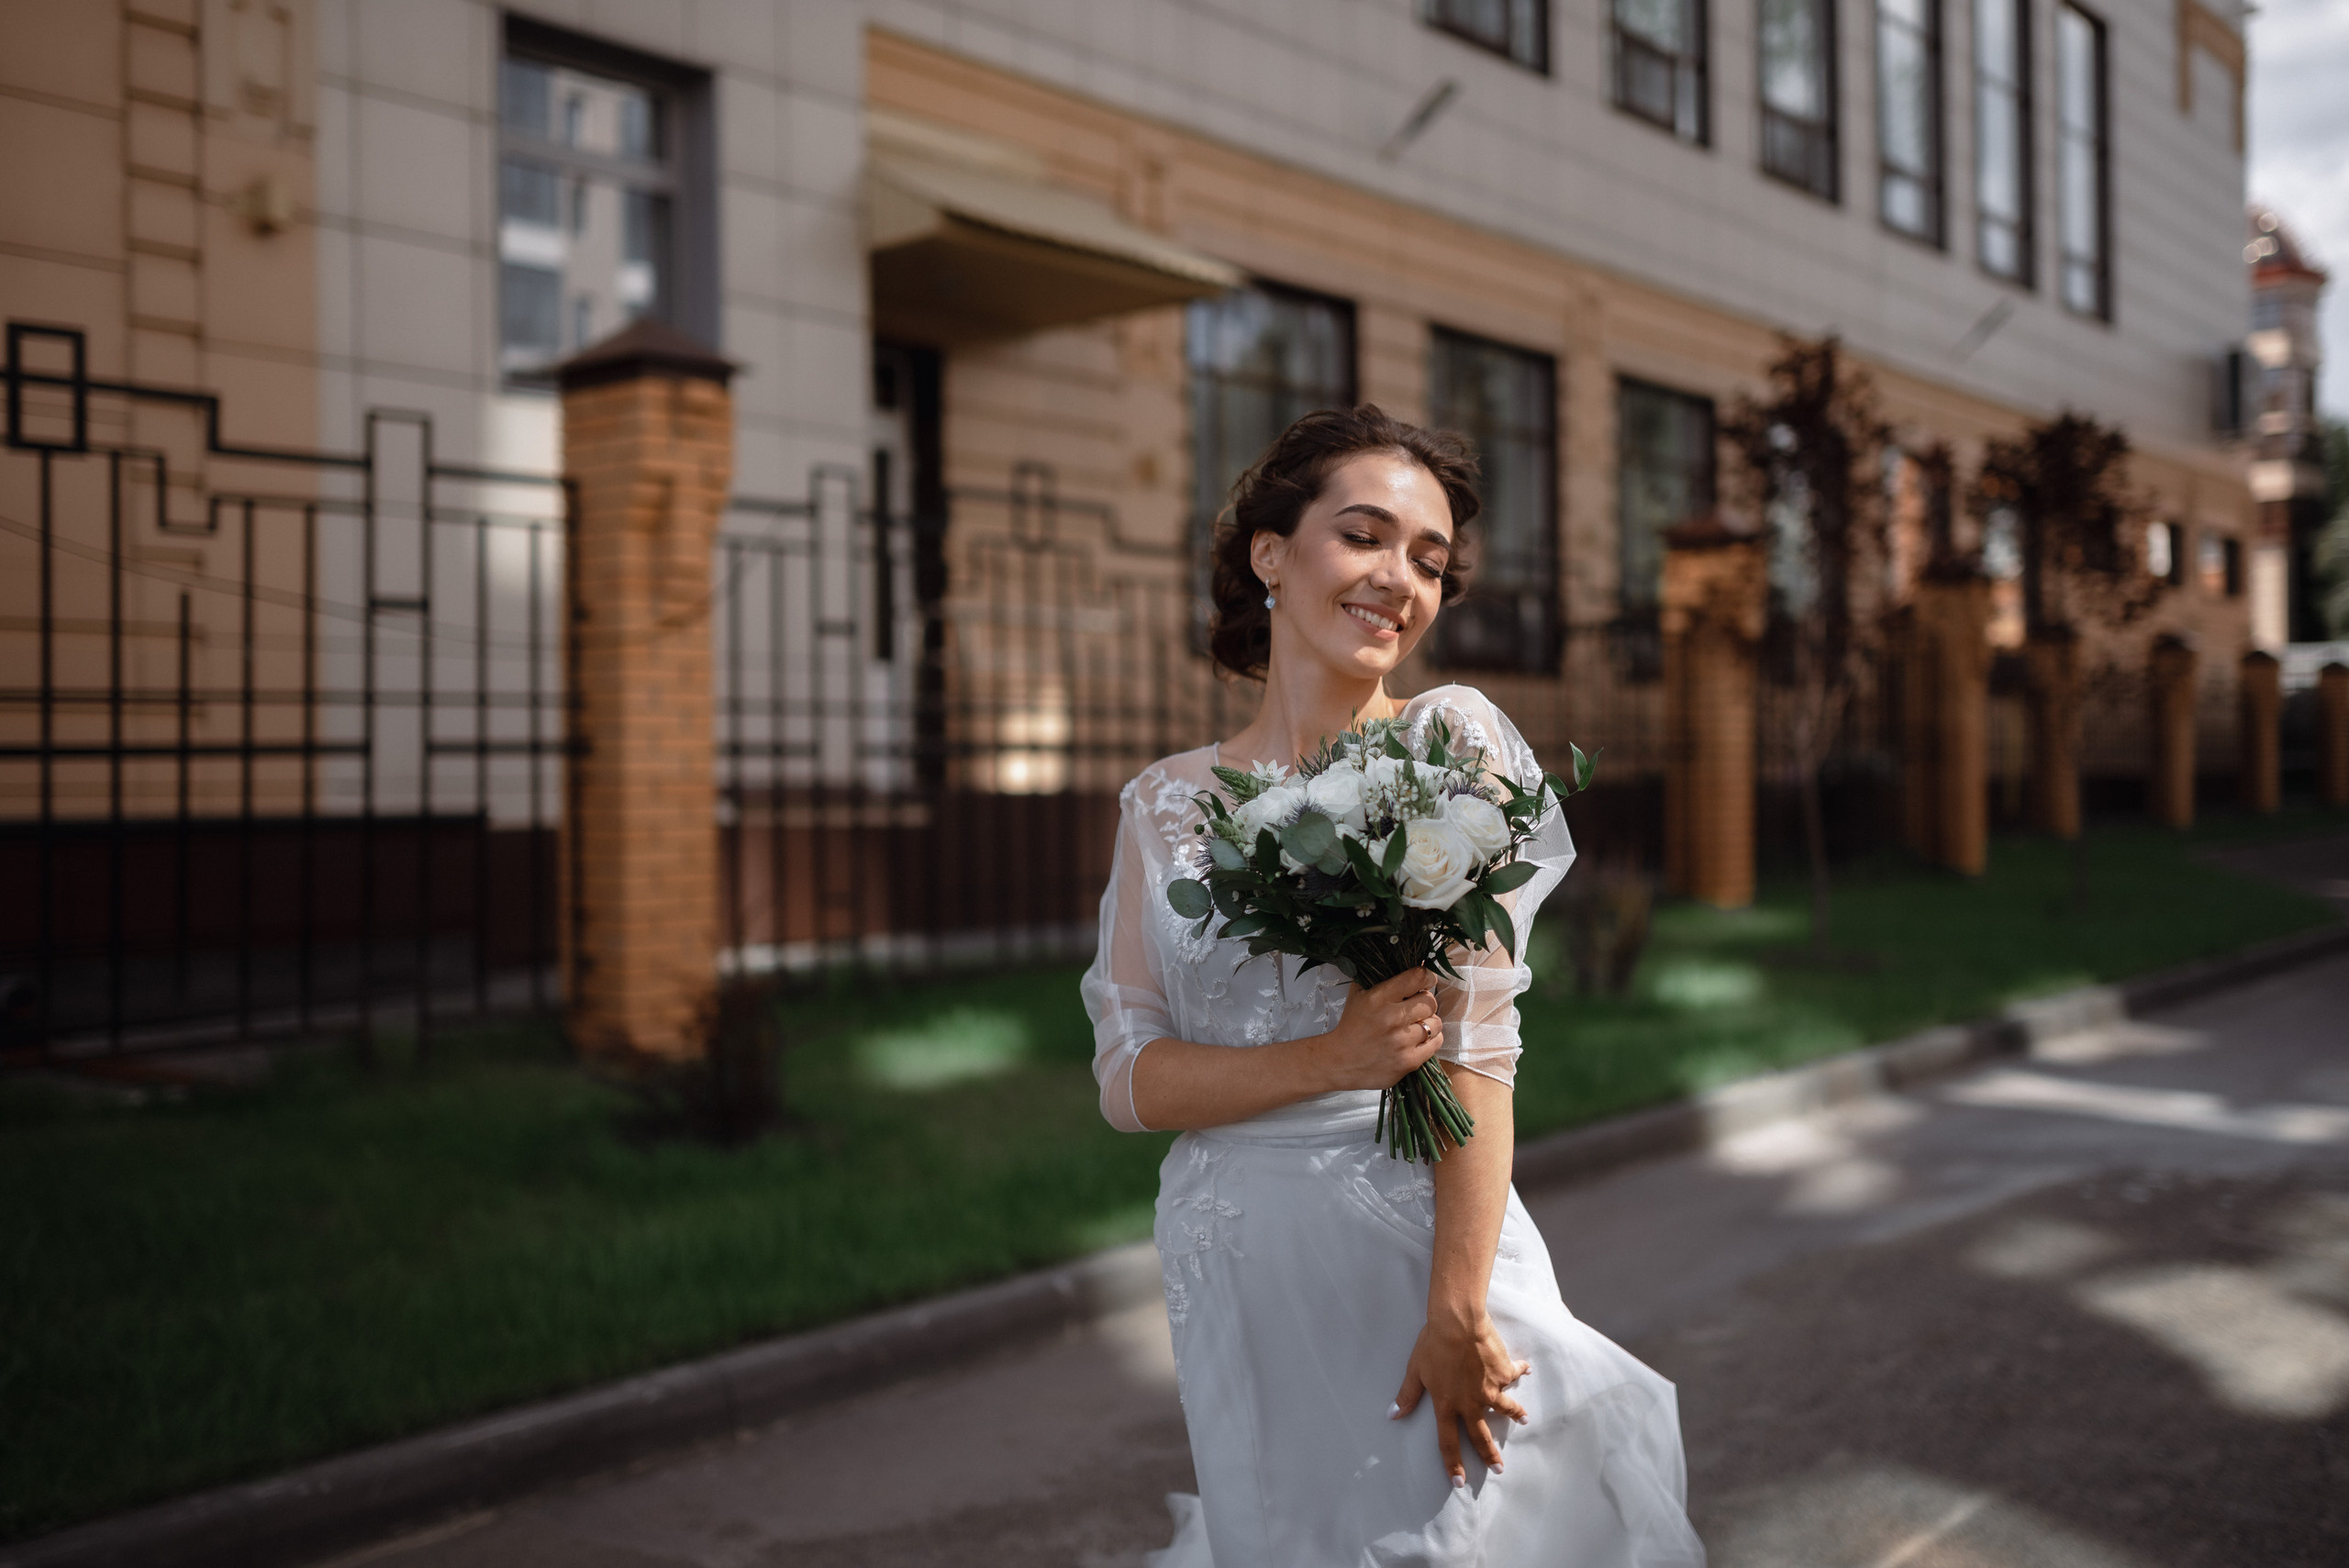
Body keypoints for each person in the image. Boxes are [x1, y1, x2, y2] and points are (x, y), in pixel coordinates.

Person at [1079, 406, 1705, 1567]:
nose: (1400, 580)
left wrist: (1459, 1310)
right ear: (1270, 552)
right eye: (1364, 536)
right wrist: (1326, 1058)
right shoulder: (1161, 803)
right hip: (1240, 1267)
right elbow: (1128, 1078)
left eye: (1428, 559)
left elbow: (1477, 1050)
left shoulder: (1448, 746)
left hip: (1415, 1252)